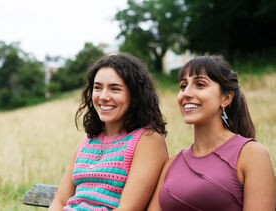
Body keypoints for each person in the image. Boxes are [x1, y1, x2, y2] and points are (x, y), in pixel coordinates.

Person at [147, 56, 275, 211]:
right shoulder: (171, 164)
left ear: (226, 98)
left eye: (200, 84)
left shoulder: (251, 154)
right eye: (183, 86)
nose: (186, 93)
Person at [49, 53, 169, 210]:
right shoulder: (87, 143)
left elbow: (128, 209)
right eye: (98, 88)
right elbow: (59, 200)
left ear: (134, 95)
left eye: (115, 89)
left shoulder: (148, 140)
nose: (103, 97)